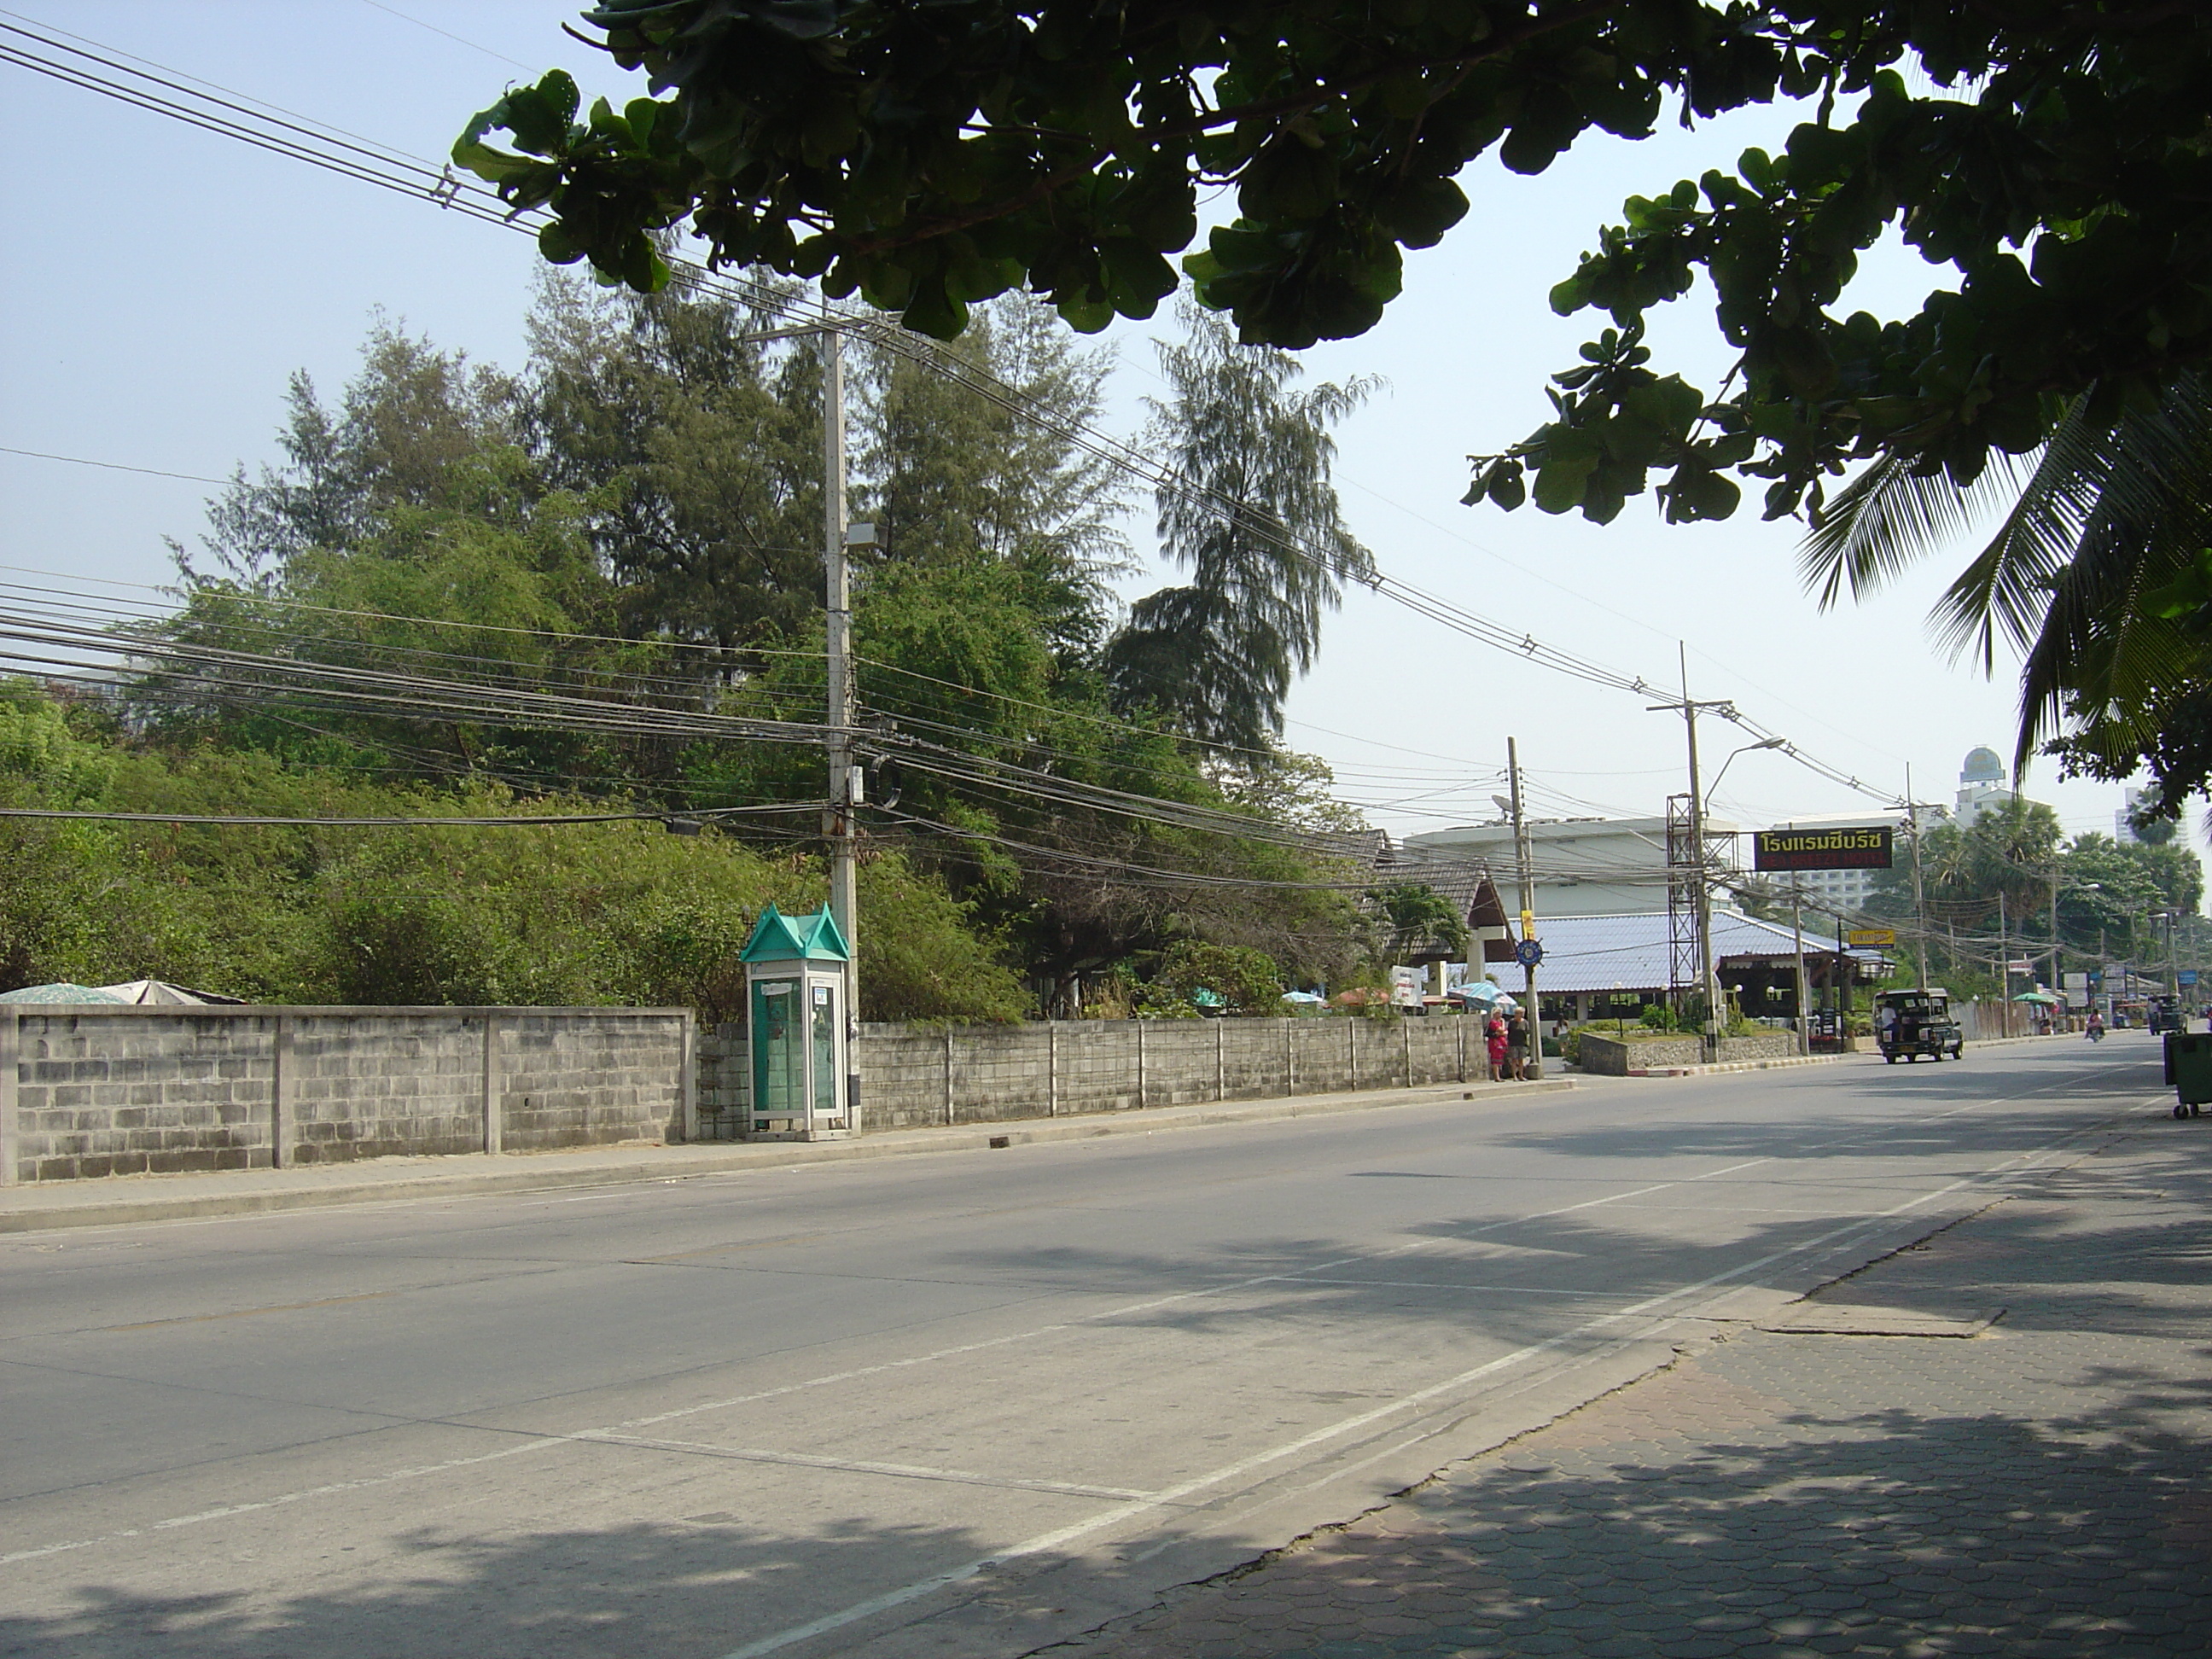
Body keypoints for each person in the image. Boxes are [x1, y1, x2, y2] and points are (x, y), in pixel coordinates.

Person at [1505, 1009, 1530, 1080]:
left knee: (1521, 1060)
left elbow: (1527, 1032)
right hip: (1513, 1043)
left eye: (1521, 1013)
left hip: (1522, 1043)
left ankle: (1521, 1075)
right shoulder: (1512, 1022)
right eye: (1518, 1013)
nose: (1519, 1015)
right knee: (1514, 1060)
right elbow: (1508, 1032)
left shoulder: (1525, 1022)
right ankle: (1514, 1076)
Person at [1486, 1013, 1509, 1082]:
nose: (1501, 1016)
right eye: (1499, 1014)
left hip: (1501, 1043)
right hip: (1495, 1043)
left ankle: (1499, 1075)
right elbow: (1502, 1030)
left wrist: (1503, 1032)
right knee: (1495, 1060)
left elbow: (1506, 1032)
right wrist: (1503, 1023)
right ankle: (1497, 1077)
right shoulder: (1494, 1022)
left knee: (1499, 1060)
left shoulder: (1499, 1022)